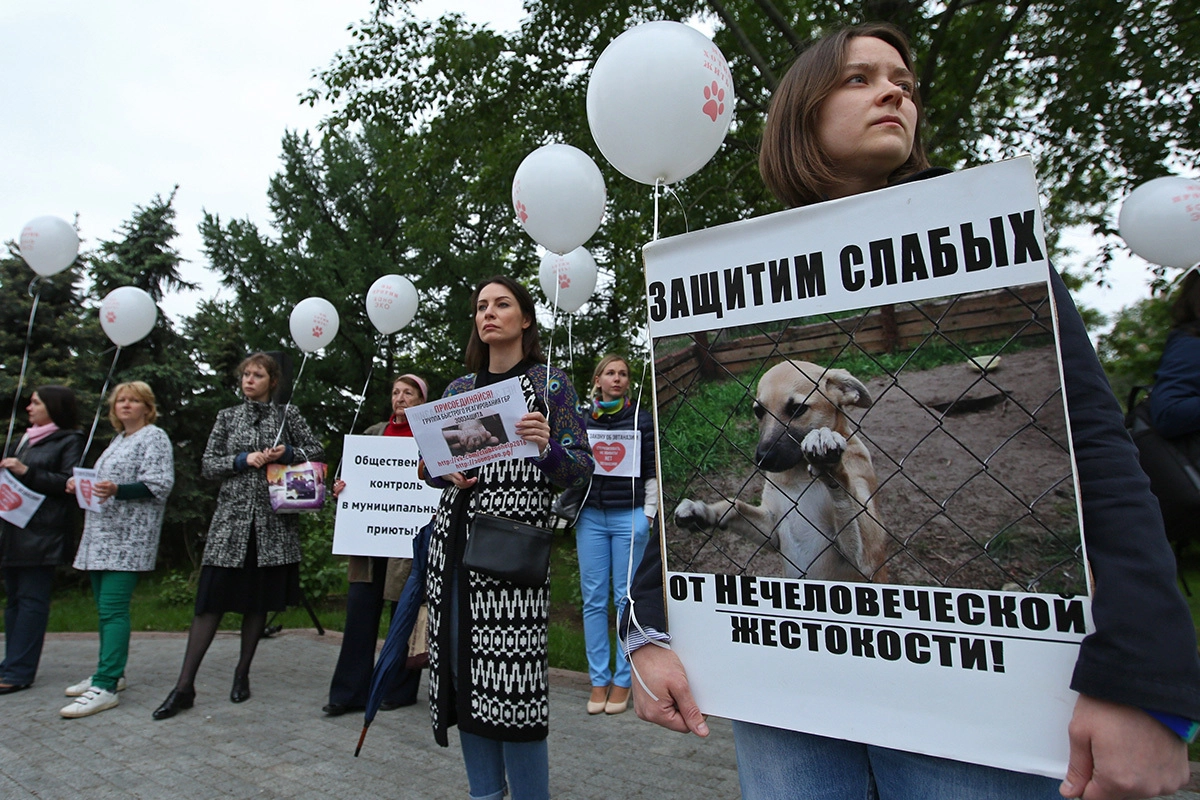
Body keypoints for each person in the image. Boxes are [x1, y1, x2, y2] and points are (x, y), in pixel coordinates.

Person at [625, 22, 1200, 800]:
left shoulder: (985, 229)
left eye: (903, 81)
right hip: (786, 685)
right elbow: (663, 463)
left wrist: (1143, 678)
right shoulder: (734, 262)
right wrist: (648, 629)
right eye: (859, 78)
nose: (895, 90)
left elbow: (1094, 449)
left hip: (960, 707)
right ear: (800, 114)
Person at [420, 275, 592, 800]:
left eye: (502, 304)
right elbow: (429, 468)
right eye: (481, 307)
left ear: (526, 319)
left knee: (513, 690)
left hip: (510, 554)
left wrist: (548, 448)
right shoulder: (457, 391)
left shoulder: (549, 385)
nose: (488, 313)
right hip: (452, 547)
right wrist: (440, 470)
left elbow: (580, 470)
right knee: (465, 681)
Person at [153, 352, 323, 720]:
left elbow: (318, 450)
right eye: (245, 374)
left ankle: (242, 673)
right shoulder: (227, 417)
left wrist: (289, 453)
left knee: (257, 602)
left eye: (257, 375)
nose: (249, 380)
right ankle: (184, 685)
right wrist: (241, 460)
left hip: (274, 525)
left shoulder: (287, 415)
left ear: (271, 381)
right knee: (209, 602)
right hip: (231, 524)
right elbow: (208, 464)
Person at [61, 381, 174, 718]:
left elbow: (160, 484)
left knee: (113, 609)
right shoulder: (117, 440)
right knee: (102, 607)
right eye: (120, 400)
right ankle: (111, 671)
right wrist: (80, 484)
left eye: (134, 400)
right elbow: (102, 483)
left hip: (129, 538)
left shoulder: (154, 437)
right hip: (101, 535)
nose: (125, 405)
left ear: (147, 406)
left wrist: (117, 490)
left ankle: (106, 686)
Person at [323, 373, 429, 717]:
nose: (400, 398)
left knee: (404, 613)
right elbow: (350, 477)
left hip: (409, 544)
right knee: (359, 613)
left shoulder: (429, 435)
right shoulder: (371, 433)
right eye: (396, 392)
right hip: (368, 543)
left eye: (408, 393)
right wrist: (342, 487)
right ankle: (348, 692)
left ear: (421, 400)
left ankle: (397, 689)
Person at [575, 354, 657, 716]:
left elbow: (653, 470)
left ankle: (625, 680)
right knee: (593, 600)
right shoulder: (581, 419)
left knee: (626, 599)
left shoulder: (641, 419)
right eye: (610, 373)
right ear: (597, 380)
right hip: (590, 517)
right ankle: (598, 679)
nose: (617, 378)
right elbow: (570, 467)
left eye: (623, 374)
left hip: (630, 517)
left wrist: (648, 516)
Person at [0, 386, 84, 694]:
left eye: (35, 403)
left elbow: (68, 484)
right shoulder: (24, 438)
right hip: (13, 530)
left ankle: (19, 672)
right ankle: (11, 663)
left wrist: (25, 470)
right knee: (15, 602)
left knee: (32, 602)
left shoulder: (69, 440)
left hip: (42, 534)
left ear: (53, 407)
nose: (29, 408)